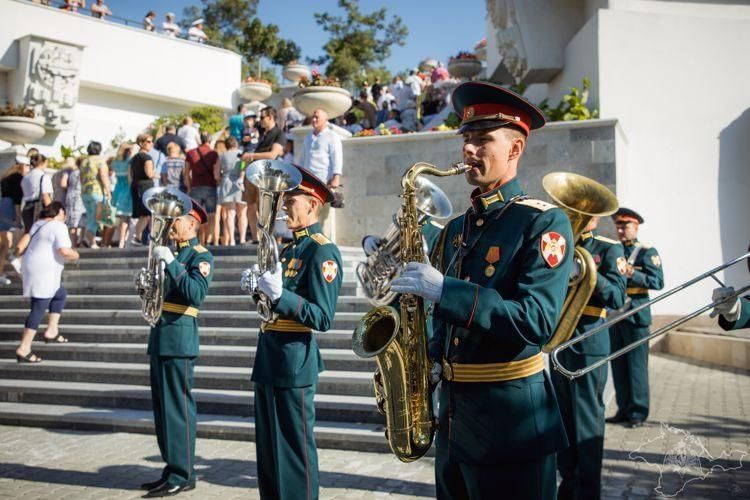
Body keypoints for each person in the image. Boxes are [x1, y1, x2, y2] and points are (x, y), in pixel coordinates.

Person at [389, 81, 573, 499]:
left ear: (515, 148)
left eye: (483, 140)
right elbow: (441, 320)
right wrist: (429, 358)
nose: (469, 150)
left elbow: (537, 323)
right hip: (454, 424)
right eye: (466, 139)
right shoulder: (456, 227)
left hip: (512, 428)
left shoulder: (542, 223)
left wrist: (447, 292)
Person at [252, 165, 342, 500]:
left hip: (295, 361)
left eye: (292, 200)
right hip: (270, 357)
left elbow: (322, 317)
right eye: (285, 200)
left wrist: (281, 295)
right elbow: (273, 305)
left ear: (313, 206)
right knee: (270, 450)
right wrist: (258, 291)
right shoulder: (288, 249)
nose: (284, 206)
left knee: (294, 452)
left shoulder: (322, 250)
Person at [139, 202, 213, 498]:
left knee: (178, 410)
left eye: (176, 220)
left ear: (193, 223)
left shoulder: (200, 256)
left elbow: (196, 294)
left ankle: (183, 473)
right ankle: (172, 469)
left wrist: (170, 262)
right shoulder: (171, 254)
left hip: (180, 337)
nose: (171, 224)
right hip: (160, 335)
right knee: (162, 410)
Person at [550, 216, 627, 500]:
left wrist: (587, 270)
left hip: (588, 340)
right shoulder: (559, 245)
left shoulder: (607, 249)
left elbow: (618, 297)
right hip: (561, 339)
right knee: (564, 418)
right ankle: (567, 486)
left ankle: (587, 492)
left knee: (587, 421)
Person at [606, 207, 664, 428]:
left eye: (625, 226)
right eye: (618, 226)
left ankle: (638, 412)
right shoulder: (615, 250)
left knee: (636, 367)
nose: (621, 230)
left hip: (636, 314)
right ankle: (623, 409)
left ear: (636, 227)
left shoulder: (647, 252)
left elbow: (658, 282)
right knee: (618, 366)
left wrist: (633, 273)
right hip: (616, 314)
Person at [14, 202, 79, 363]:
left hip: (32, 266)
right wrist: (75, 254)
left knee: (60, 293)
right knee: (39, 306)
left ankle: (52, 330)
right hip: (44, 270)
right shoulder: (58, 226)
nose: (66, 217)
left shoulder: (38, 224)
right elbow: (64, 250)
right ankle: (24, 347)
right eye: (65, 213)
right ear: (60, 212)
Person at [241, 106, 285, 243]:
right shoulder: (259, 131)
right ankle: (256, 238)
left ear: (270, 117)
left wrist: (251, 155)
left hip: (267, 174)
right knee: (250, 205)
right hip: (252, 173)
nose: (260, 120)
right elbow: (245, 139)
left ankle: (267, 238)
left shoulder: (279, 133)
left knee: (264, 207)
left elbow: (273, 155)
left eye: (262, 117)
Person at [300, 108, 343, 241]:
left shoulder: (332, 136)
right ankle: (311, 242)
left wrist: (336, 177)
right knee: (309, 213)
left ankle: (324, 244)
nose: (314, 120)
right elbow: (303, 158)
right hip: (308, 182)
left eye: (317, 117)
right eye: (313, 117)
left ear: (325, 119)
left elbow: (337, 157)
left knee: (324, 216)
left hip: (324, 181)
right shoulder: (308, 137)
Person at [184, 133, 218, 245]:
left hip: (195, 187)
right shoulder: (213, 153)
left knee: (195, 215)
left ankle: (195, 239)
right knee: (211, 214)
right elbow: (216, 173)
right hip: (210, 187)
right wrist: (218, 182)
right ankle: (209, 238)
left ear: (200, 140)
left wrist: (189, 187)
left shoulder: (190, 153)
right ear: (210, 140)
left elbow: (186, 173)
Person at [0, 158, 30, 285]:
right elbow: (17, 200)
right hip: (10, 207)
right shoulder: (19, 178)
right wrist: (18, 219)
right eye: (28, 165)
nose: (29, 168)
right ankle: (4, 269)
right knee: (7, 243)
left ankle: (2, 271)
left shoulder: (6, 177)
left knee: (6, 242)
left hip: (2, 205)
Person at [79, 141, 111, 249]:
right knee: (96, 218)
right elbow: (103, 175)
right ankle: (89, 240)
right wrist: (108, 190)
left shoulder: (84, 161)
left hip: (85, 192)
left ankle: (89, 241)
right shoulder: (100, 161)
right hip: (96, 191)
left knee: (90, 217)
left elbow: (81, 178)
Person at [215, 137, 246, 246]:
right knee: (242, 213)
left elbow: (217, 173)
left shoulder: (222, 155)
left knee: (230, 213)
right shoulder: (242, 153)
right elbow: (244, 166)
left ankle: (232, 240)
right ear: (236, 144)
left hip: (226, 182)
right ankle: (242, 239)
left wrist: (219, 180)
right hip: (240, 182)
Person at [131, 134, 158, 245]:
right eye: (148, 141)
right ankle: (137, 236)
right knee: (147, 213)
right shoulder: (147, 157)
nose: (151, 143)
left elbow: (131, 174)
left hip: (136, 185)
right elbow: (149, 174)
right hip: (146, 187)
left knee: (144, 214)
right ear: (141, 143)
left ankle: (138, 237)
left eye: (152, 141)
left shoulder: (134, 158)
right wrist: (158, 175)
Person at [21, 154, 53, 233]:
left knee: (28, 233)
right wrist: (51, 212)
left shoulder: (26, 177)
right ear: (44, 162)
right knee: (38, 233)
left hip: (26, 207)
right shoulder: (43, 176)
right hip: (38, 207)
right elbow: (45, 195)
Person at [111, 143, 134, 248]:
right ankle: (122, 241)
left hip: (118, 189)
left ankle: (119, 239)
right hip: (126, 189)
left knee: (121, 218)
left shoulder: (115, 162)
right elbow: (129, 178)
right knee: (126, 218)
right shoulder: (129, 162)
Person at [61, 157, 85, 248]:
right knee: (76, 223)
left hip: (73, 197)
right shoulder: (79, 173)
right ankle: (76, 244)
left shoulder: (72, 172)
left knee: (73, 223)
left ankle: (73, 244)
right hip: (78, 198)